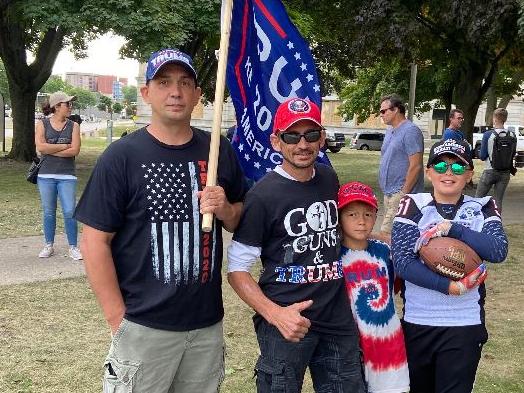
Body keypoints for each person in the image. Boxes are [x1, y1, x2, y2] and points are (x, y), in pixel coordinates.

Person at [75, 48, 247, 393]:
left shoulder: (217, 150)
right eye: (164, 82)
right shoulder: (121, 157)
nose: (176, 92)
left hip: (205, 326)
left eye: (185, 83)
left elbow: (238, 217)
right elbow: (94, 241)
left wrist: (226, 208)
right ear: (146, 92)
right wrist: (116, 318)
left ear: (199, 95)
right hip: (143, 325)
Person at [228, 98, 365, 393]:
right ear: (276, 142)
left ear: (322, 139)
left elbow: (340, 231)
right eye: (292, 135)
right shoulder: (262, 195)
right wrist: (275, 314)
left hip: (336, 319)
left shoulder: (328, 178)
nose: (303, 144)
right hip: (286, 323)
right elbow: (237, 269)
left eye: (311, 135)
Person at [391, 139, 508, 393]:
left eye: (457, 167)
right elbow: (402, 261)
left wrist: (454, 229)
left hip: (464, 324)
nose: (448, 172)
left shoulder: (483, 206)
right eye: (441, 165)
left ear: (469, 175)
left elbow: (498, 250)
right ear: (429, 171)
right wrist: (449, 287)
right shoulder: (413, 204)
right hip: (418, 321)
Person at [338, 181, 410, 393]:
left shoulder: (384, 251)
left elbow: (398, 282)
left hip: (389, 341)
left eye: (368, 215)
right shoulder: (333, 257)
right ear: (339, 218)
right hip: (354, 345)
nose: (361, 221)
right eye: (352, 215)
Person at [35, 91, 82, 260]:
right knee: (48, 211)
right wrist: (64, 146)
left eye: (70, 104)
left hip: (67, 176)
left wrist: (51, 149)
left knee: (70, 211)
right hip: (45, 175)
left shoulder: (74, 126)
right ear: (56, 106)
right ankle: (49, 245)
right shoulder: (42, 124)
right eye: (67, 104)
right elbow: (41, 147)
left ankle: (73, 247)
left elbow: (75, 150)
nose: (70, 107)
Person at [378, 94, 424, 241]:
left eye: (384, 111)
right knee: (395, 236)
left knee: (386, 234)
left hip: (400, 193)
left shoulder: (411, 131)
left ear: (396, 109)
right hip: (388, 192)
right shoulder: (389, 130)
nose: (381, 115)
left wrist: (403, 193)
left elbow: (416, 165)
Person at [475, 108, 515, 210]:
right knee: (498, 201)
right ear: (505, 119)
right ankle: (496, 223)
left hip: (490, 171)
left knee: (478, 199)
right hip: (505, 172)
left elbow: (483, 156)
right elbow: (512, 154)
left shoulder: (488, 135)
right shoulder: (512, 135)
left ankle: (475, 221)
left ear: (494, 119)